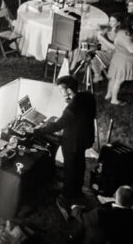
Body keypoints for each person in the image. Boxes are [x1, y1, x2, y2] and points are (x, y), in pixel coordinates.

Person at [32, 75, 97, 204]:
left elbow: (57, 125)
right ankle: (77, 189)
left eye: (61, 90)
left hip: (73, 142)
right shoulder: (87, 96)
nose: (60, 93)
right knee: (79, 164)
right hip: (86, 138)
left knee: (70, 168)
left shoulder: (71, 109)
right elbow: (86, 114)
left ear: (68, 90)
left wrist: (36, 131)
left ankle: (68, 196)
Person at [104, 15, 133, 105]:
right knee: (118, 81)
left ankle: (108, 95)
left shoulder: (122, 31)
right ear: (132, 24)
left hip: (118, 57)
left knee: (113, 78)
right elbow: (132, 49)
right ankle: (114, 100)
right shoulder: (125, 35)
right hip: (124, 60)